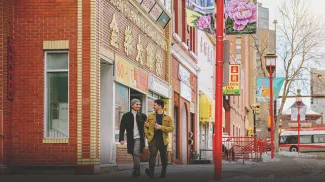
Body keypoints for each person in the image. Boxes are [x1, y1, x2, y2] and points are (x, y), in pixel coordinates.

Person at [144, 99, 174, 178]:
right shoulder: (150, 116)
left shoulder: (168, 117)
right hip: (153, 140)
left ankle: (163, 172)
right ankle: (151, 173)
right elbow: (145, 126)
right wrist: (147, 135)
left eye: (155, 105)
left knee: (163, 157)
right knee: (152, 156)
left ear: (160, 106)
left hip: (163, 140)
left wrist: (161, 127)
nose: (153, 106)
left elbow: (171, 128)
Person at [119, 98, 147, 177]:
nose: (139, 106)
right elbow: (122, 128)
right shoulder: (126, 116)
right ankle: (137, 169)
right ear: (132, 105)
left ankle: (136, 170)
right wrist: (121, 138)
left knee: (136, 152)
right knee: (133, 153)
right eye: (137, 104)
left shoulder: (143, 116)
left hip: (139, 138)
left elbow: (148, 127)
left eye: (140, 104)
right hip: (131, 138)